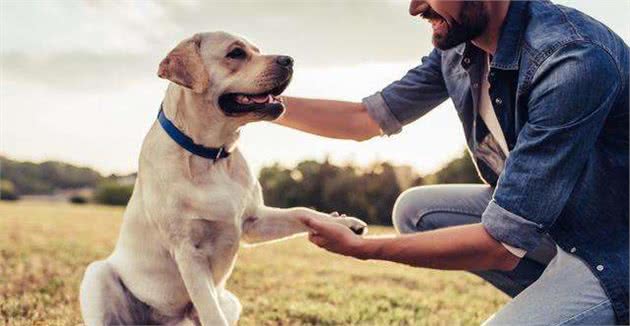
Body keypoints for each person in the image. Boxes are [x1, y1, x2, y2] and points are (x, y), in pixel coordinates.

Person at [276, 0, 629, 324]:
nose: (415, 7)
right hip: (560, 223)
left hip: (613, 249)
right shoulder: (463, 46)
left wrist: (361, 248)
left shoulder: (571, 57)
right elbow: (364, 119)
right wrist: (260, 104)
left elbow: (500, 245)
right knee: (416, 211)